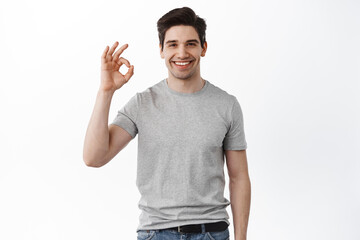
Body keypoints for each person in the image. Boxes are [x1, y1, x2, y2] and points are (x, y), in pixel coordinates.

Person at [83, 6, 251, 240]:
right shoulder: (142, 104)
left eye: (191, 43)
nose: (181, 53)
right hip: (156, 233)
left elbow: (239, 176)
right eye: (172, 44)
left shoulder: (227, 105)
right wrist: (106, 90)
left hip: (211, 232)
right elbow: (94, 157)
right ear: (161, 50)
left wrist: (241, 238)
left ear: (203, 48)